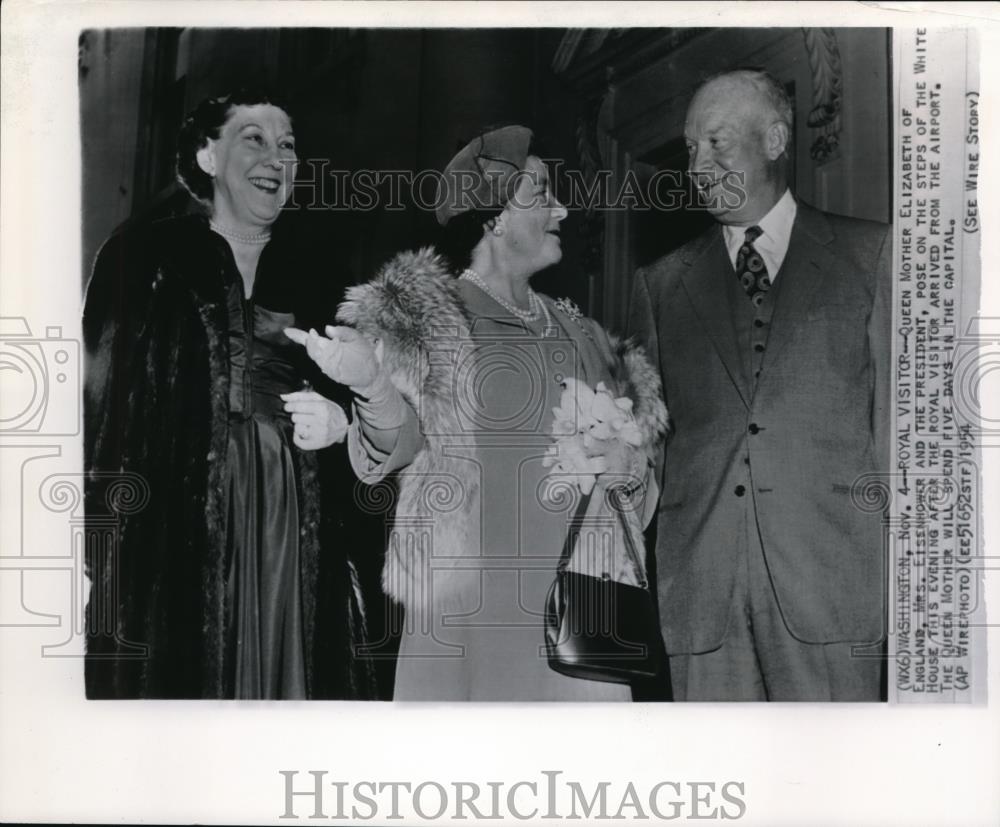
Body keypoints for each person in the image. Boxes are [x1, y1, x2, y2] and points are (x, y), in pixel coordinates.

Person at [288, 125, 668, 701]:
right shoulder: (430, 323)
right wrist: (369, 383)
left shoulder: (582, 332)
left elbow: (640, 476)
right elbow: (396, 441)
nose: (562, 209)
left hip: (582, 626)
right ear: (495, 215)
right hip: (474, 625)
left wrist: (628, 467)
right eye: (542, 193)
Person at [83, 90, 375, 699]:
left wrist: (343, 424)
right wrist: (105, 554)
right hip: (173, 530)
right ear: (208, 156)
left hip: (293, 525)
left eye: (287, 145)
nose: (276, 158)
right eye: (254, 139)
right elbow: (100, 415)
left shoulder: (327, 276)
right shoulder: (141, 259)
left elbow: (377, 418)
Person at [628, 70, 891, 701]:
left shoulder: (872, 256)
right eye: (691, 148)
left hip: (832, 584)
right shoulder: (659, 285)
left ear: (774, 140)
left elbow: (897, 434)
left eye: (717, 142)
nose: (698, 165)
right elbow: (645, 454)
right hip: (702, 593)